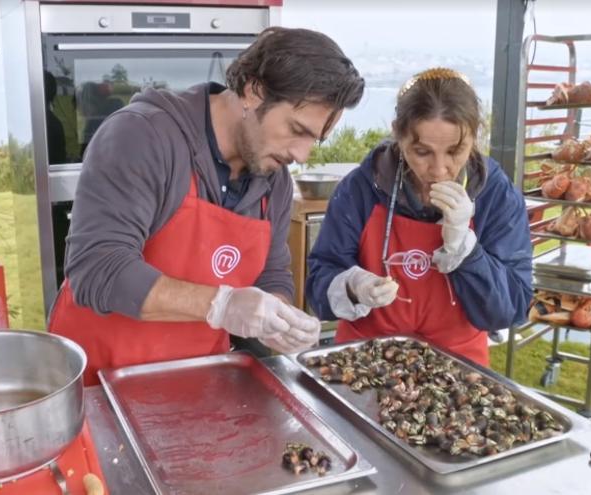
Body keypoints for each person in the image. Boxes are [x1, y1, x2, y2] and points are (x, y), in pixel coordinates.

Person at [49, 27, 366, 384]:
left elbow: (271, 274)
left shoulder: (272, 180)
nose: (301, 154)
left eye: (315, 140)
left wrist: (278, 320)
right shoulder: (143, 137)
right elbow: (98, 268)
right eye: (297, 129)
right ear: (253, 90)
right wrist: (223, 305)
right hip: (99, 382)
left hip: (195, 384)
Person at [305, 67, 532, 366]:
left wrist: (466, 250)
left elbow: (511, 310)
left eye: (455, 151)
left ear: (475, 138)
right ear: (398, 134)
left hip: (458, 369)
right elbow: (318, 289)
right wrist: (352, 286)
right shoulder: (361, 188)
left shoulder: (497, 196)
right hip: (364, 361)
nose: (439, 169)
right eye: (422, 152)